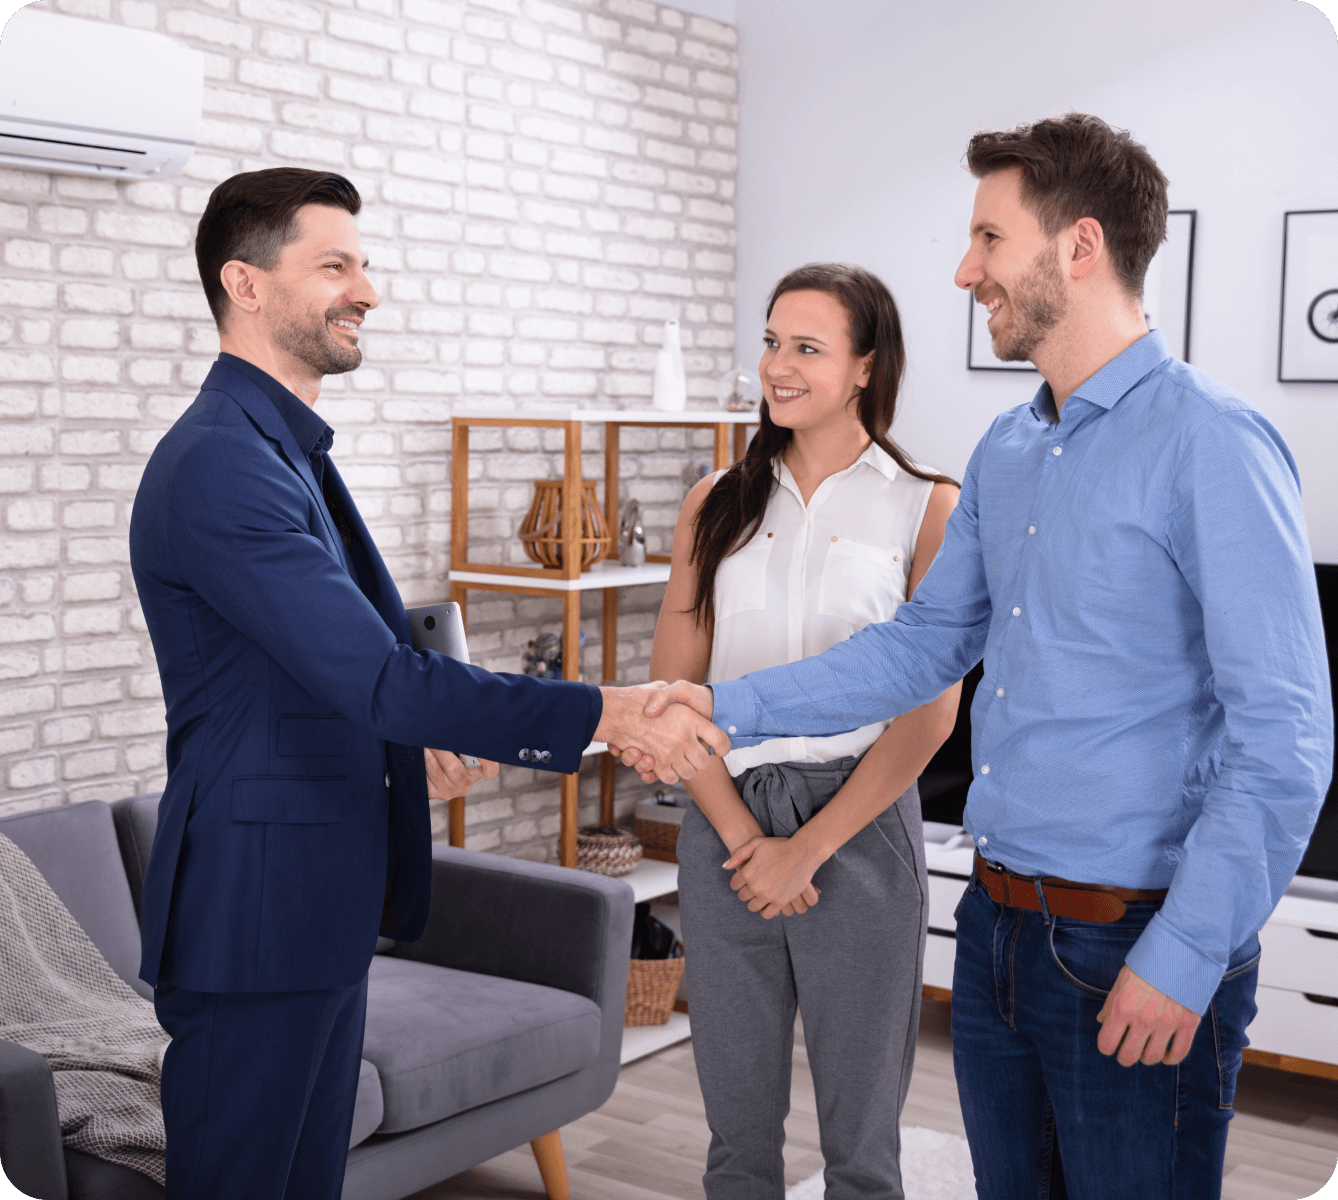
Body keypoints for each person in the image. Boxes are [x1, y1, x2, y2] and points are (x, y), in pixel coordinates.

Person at [632, 115, 1332, 1198]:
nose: (967, 272)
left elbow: (1285, 741)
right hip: (1000, 930)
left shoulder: (1214, 442)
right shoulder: (1011, 449)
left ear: (1080, 248)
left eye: (989, 240)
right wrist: (717, 703)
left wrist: (1186, 953)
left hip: (1131, 937)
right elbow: (921, 646)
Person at [129, 167, 727, 1200]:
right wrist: (609, 709)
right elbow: (381, 676)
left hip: (310, 907)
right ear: (248, 283)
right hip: (256, 915)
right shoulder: (224, 463)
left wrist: (400, 751)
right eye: (335, 265)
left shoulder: (282, 449)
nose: (368, 289)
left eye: (363, 264)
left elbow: (318, 679)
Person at [649, 263, 961, 1199]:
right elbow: (676, 690)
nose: (777, 366)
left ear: (865, 367)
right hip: (722, 810)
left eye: (809, 348)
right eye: (772, 341)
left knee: (862, 1149)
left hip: (860, 821)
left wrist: (810, 847)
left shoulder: (928, 504)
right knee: (736, 1139)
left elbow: (931, 708)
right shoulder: (716, 502)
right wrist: (744, 837)